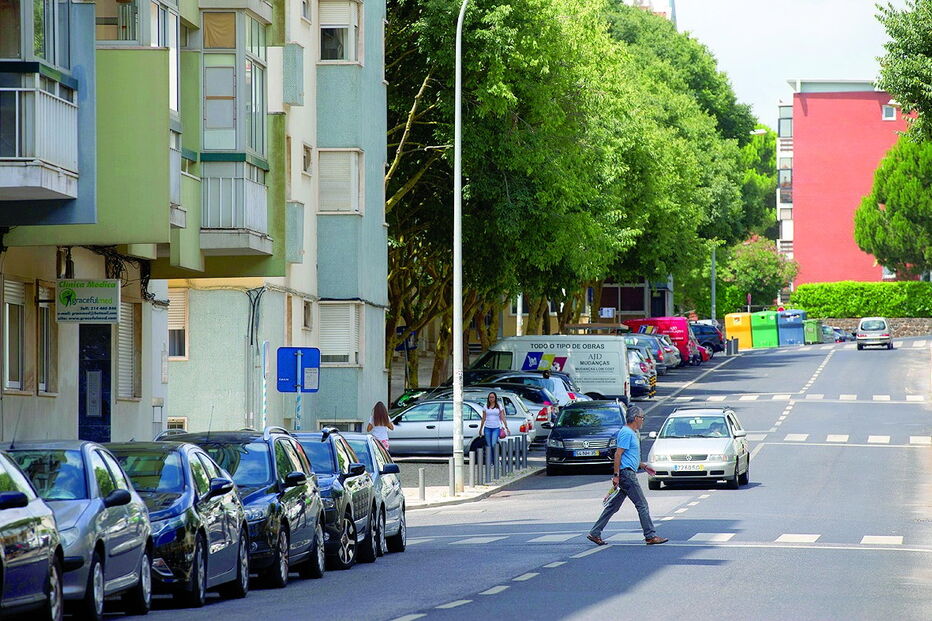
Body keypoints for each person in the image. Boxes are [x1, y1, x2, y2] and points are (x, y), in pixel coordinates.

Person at [587, 405, 668, 546]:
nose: (643, 421)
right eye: (642, 418)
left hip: (627, 472)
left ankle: (595, 533)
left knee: (613, 506)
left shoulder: (631, 432)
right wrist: (616, 475)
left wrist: (642, 465)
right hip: (627, 474)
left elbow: (628, 456)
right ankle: (650, 535)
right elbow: (618, 454)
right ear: (636, 418)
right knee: (642, 505)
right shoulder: (627, 433)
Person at [479, 392, 509, 461]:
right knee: (489, 446)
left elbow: (503, 417)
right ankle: (491, 461)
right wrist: (481, 429)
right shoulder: (485, 406)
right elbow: (483, 418)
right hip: (487, 428)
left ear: (495, 398)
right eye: (490, 397)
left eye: (492, 397)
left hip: (496, 427)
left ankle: (496, 460)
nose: (491, 399)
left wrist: (506, 426)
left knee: (493, 444)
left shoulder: (499, 406)